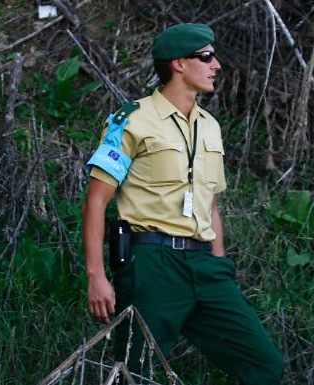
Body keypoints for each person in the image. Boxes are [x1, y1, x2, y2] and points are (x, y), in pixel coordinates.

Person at [82, 23, 283, 384]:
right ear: (178, 64)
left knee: (264, 365)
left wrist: (220, 265)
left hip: (206, 266)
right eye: (206, 57)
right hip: (152, 264)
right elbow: (97, 200)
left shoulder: (210, 126)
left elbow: (212, 206)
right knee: (134, 373)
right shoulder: (132, 119)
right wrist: (96, 275)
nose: (216, 65)